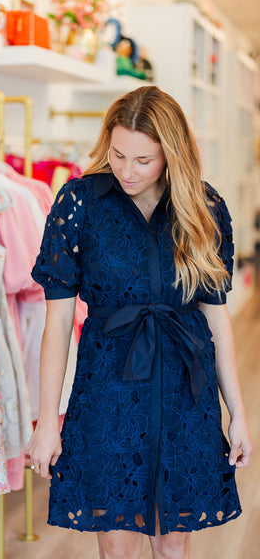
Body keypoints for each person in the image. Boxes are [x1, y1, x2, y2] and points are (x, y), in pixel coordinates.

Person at [28, 85, 253, 559]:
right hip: (108, 392)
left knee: (173, 545)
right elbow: (57, 324)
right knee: (119, 547)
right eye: (118, 154)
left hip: (185, 395)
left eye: (143, 160)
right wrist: (47, 421)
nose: (127, 171)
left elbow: (217, 319)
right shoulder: (79, 204)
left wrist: (239, 415)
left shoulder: (205, 210)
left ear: (171, 156)